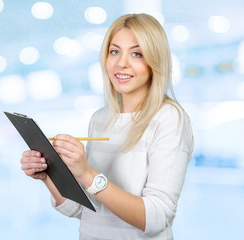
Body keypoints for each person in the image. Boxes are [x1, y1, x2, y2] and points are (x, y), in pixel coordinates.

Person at [20, 13, 194, 239]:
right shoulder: (101, 118)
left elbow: (157, 217)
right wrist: (48, 175)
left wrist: (87, 174)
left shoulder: (169, 118)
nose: (122, 63)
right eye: (115, 51)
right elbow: (83, 209)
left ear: (155, 61)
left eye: (136, 53)